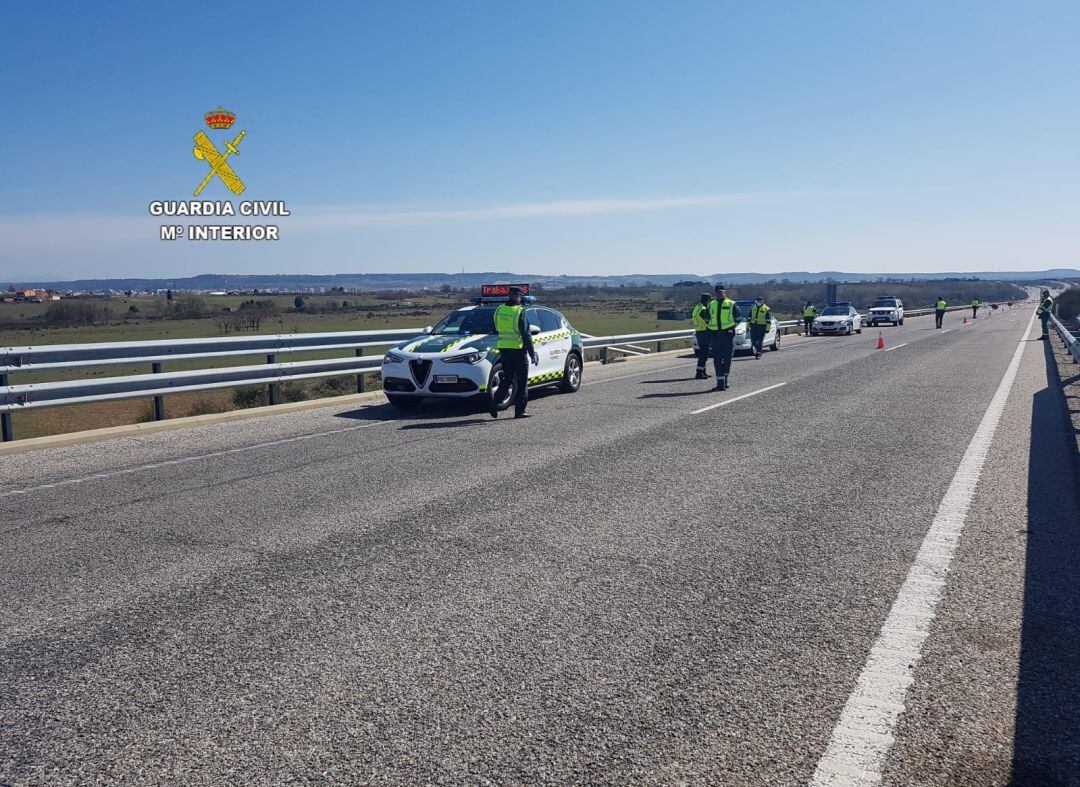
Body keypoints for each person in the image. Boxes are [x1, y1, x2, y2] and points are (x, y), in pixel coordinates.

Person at [490, 287, 539, 418]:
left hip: (504, 349)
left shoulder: (499, 309)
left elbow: (495, 327)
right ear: (518, 296)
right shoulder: (519, 311)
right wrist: (532, 353)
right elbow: (526, 334)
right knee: (522, 381)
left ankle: (495, 402)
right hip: (518, 349)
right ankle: (520, 411)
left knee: (508, 378)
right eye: (520, 296)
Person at [708, 284, 742, 391]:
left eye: (721, 292)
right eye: (717, 292)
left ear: (724, 292)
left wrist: (732, 329)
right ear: (715, 293)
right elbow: (707, 319)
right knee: (717, 360)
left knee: (727, 359)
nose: (719, 294)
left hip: (727, 335)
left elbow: (738, 318)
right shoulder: (711, 305)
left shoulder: (731, 304)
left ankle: (725, 379)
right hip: (715, 336)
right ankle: (720, 383)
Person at [691, 293, 712, 379]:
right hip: (704, 331)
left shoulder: (698, 306)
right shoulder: (703, 308)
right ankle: (699, 373)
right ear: (707, 300)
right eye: (709, 300)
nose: (710, 302)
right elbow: (706, 320)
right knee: (704, 354)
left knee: (703, 353)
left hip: (699, 331)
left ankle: (703, 372)